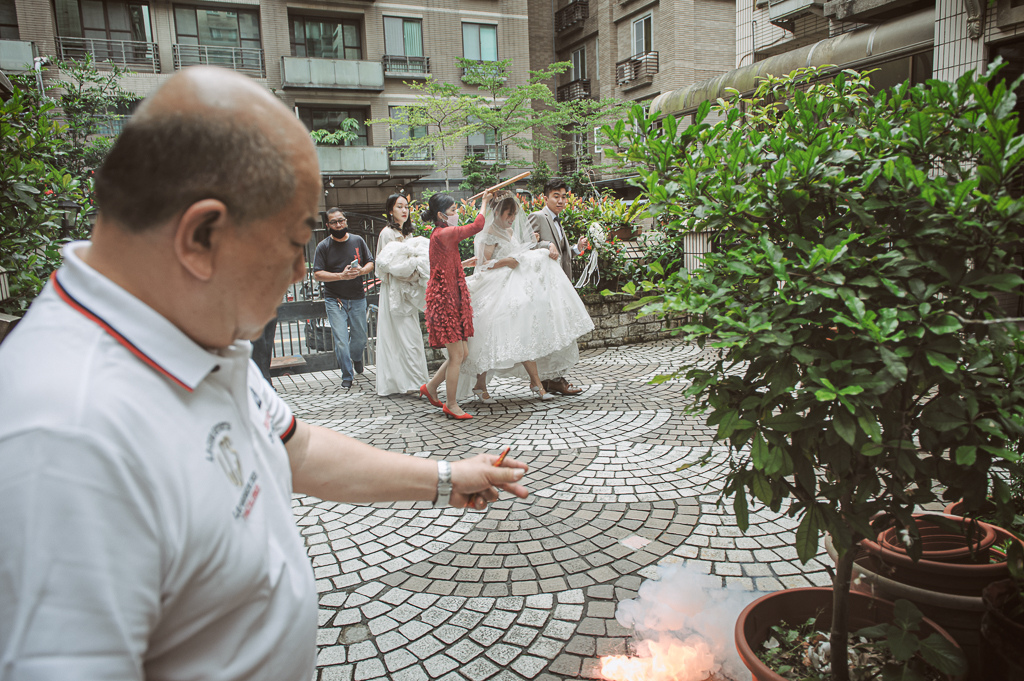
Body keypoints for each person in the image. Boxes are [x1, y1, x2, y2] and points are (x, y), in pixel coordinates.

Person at [0, 67, 529, 681]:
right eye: (295, 240)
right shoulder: (66, 441)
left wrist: (445, 476)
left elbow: (293, 446)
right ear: (201, 235)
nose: (301, 267)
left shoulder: (190, 331)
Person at [462, 193, 594, 402]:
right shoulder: (488, 233)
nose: (512, 218)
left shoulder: (510, 229)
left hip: (515, 286)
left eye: (514, 214)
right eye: (509, 214)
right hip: (497, 286)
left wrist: (537, 248)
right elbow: (482, 264)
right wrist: (505, 261)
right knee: (489, 338)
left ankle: (536, 383)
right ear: (497, 212)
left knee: (522, 333)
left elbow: (521, 252)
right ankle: (482, 385)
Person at [419, 191, 493, 420]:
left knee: (462, 352)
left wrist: (462, 263)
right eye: (453, 210)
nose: (457, 214)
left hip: (452, 299)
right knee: (457, 354)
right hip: (444, 302)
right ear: (441, 214)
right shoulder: (442, 233)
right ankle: (451, 403)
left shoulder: (441, 235)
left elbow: (443, 263)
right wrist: (484, 202)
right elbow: (477, 225)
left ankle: (430, 388)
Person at [528, 178, 589, 396]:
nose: (561, 200)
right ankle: (552, 378)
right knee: (553, 332)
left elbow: (559, 254)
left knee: (558, 332)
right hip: (544, 288)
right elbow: (526, 243)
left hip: (558, 286)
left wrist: (575, 248)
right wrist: (546, 244)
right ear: (545, 197)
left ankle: (551, 378)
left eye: (564, 196)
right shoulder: (538, 216)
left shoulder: (557, 220)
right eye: (556, 196)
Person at [374, 193, 428, 396]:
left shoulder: (409, 234)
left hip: (408, 290)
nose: (405, 210)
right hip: (394, 290)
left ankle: (415, 382)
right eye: (399, 207)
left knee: (411, 337)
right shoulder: (387, 234)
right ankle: (413, 383)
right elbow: (386, 265)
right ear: (390, 210)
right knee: (401, 337)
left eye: (406, 206)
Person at [313, 208, 373, 389]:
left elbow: (370, 262)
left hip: (357, 297)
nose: (338, 225)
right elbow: (317, 274)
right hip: (334, 299)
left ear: (346, 221)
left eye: (341, 221)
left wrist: (361, 270)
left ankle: (356, 358)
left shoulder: (358, 240)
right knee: (340, 339)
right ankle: (347, 375)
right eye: (333, 222)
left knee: (360, 337)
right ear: (327, 225)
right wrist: (341, 276)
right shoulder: (323, 246)